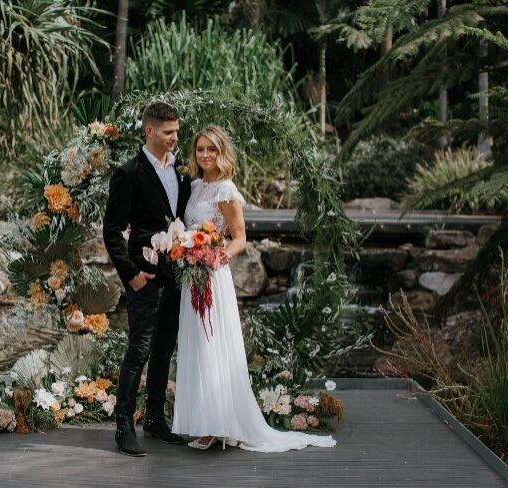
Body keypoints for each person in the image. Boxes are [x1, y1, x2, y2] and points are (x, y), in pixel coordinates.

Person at [171, 125, 337, 452]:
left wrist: (213, 256)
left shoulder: (226, 190)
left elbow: (240, 238)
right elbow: (189, 227)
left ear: (222, 153)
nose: (204, 155)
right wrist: (186, 248)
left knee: (211, 346)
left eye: (211, 150)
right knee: (194, 347)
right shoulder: (195, 186)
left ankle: (217, 424)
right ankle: (202, 420)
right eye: (200, 149)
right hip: (192, 277)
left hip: (212, 275)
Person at [103, 102, 192, 456]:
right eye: (169, 132)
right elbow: (112, 231)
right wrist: (130, 275)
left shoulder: (181, 172)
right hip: (144, 275)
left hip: (177, 273)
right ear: (149, 131)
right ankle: (123, 424)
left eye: (176, 132)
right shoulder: (129, 173)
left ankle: (154, 418)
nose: (175, 138)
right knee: (139, 347)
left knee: (164, 348)